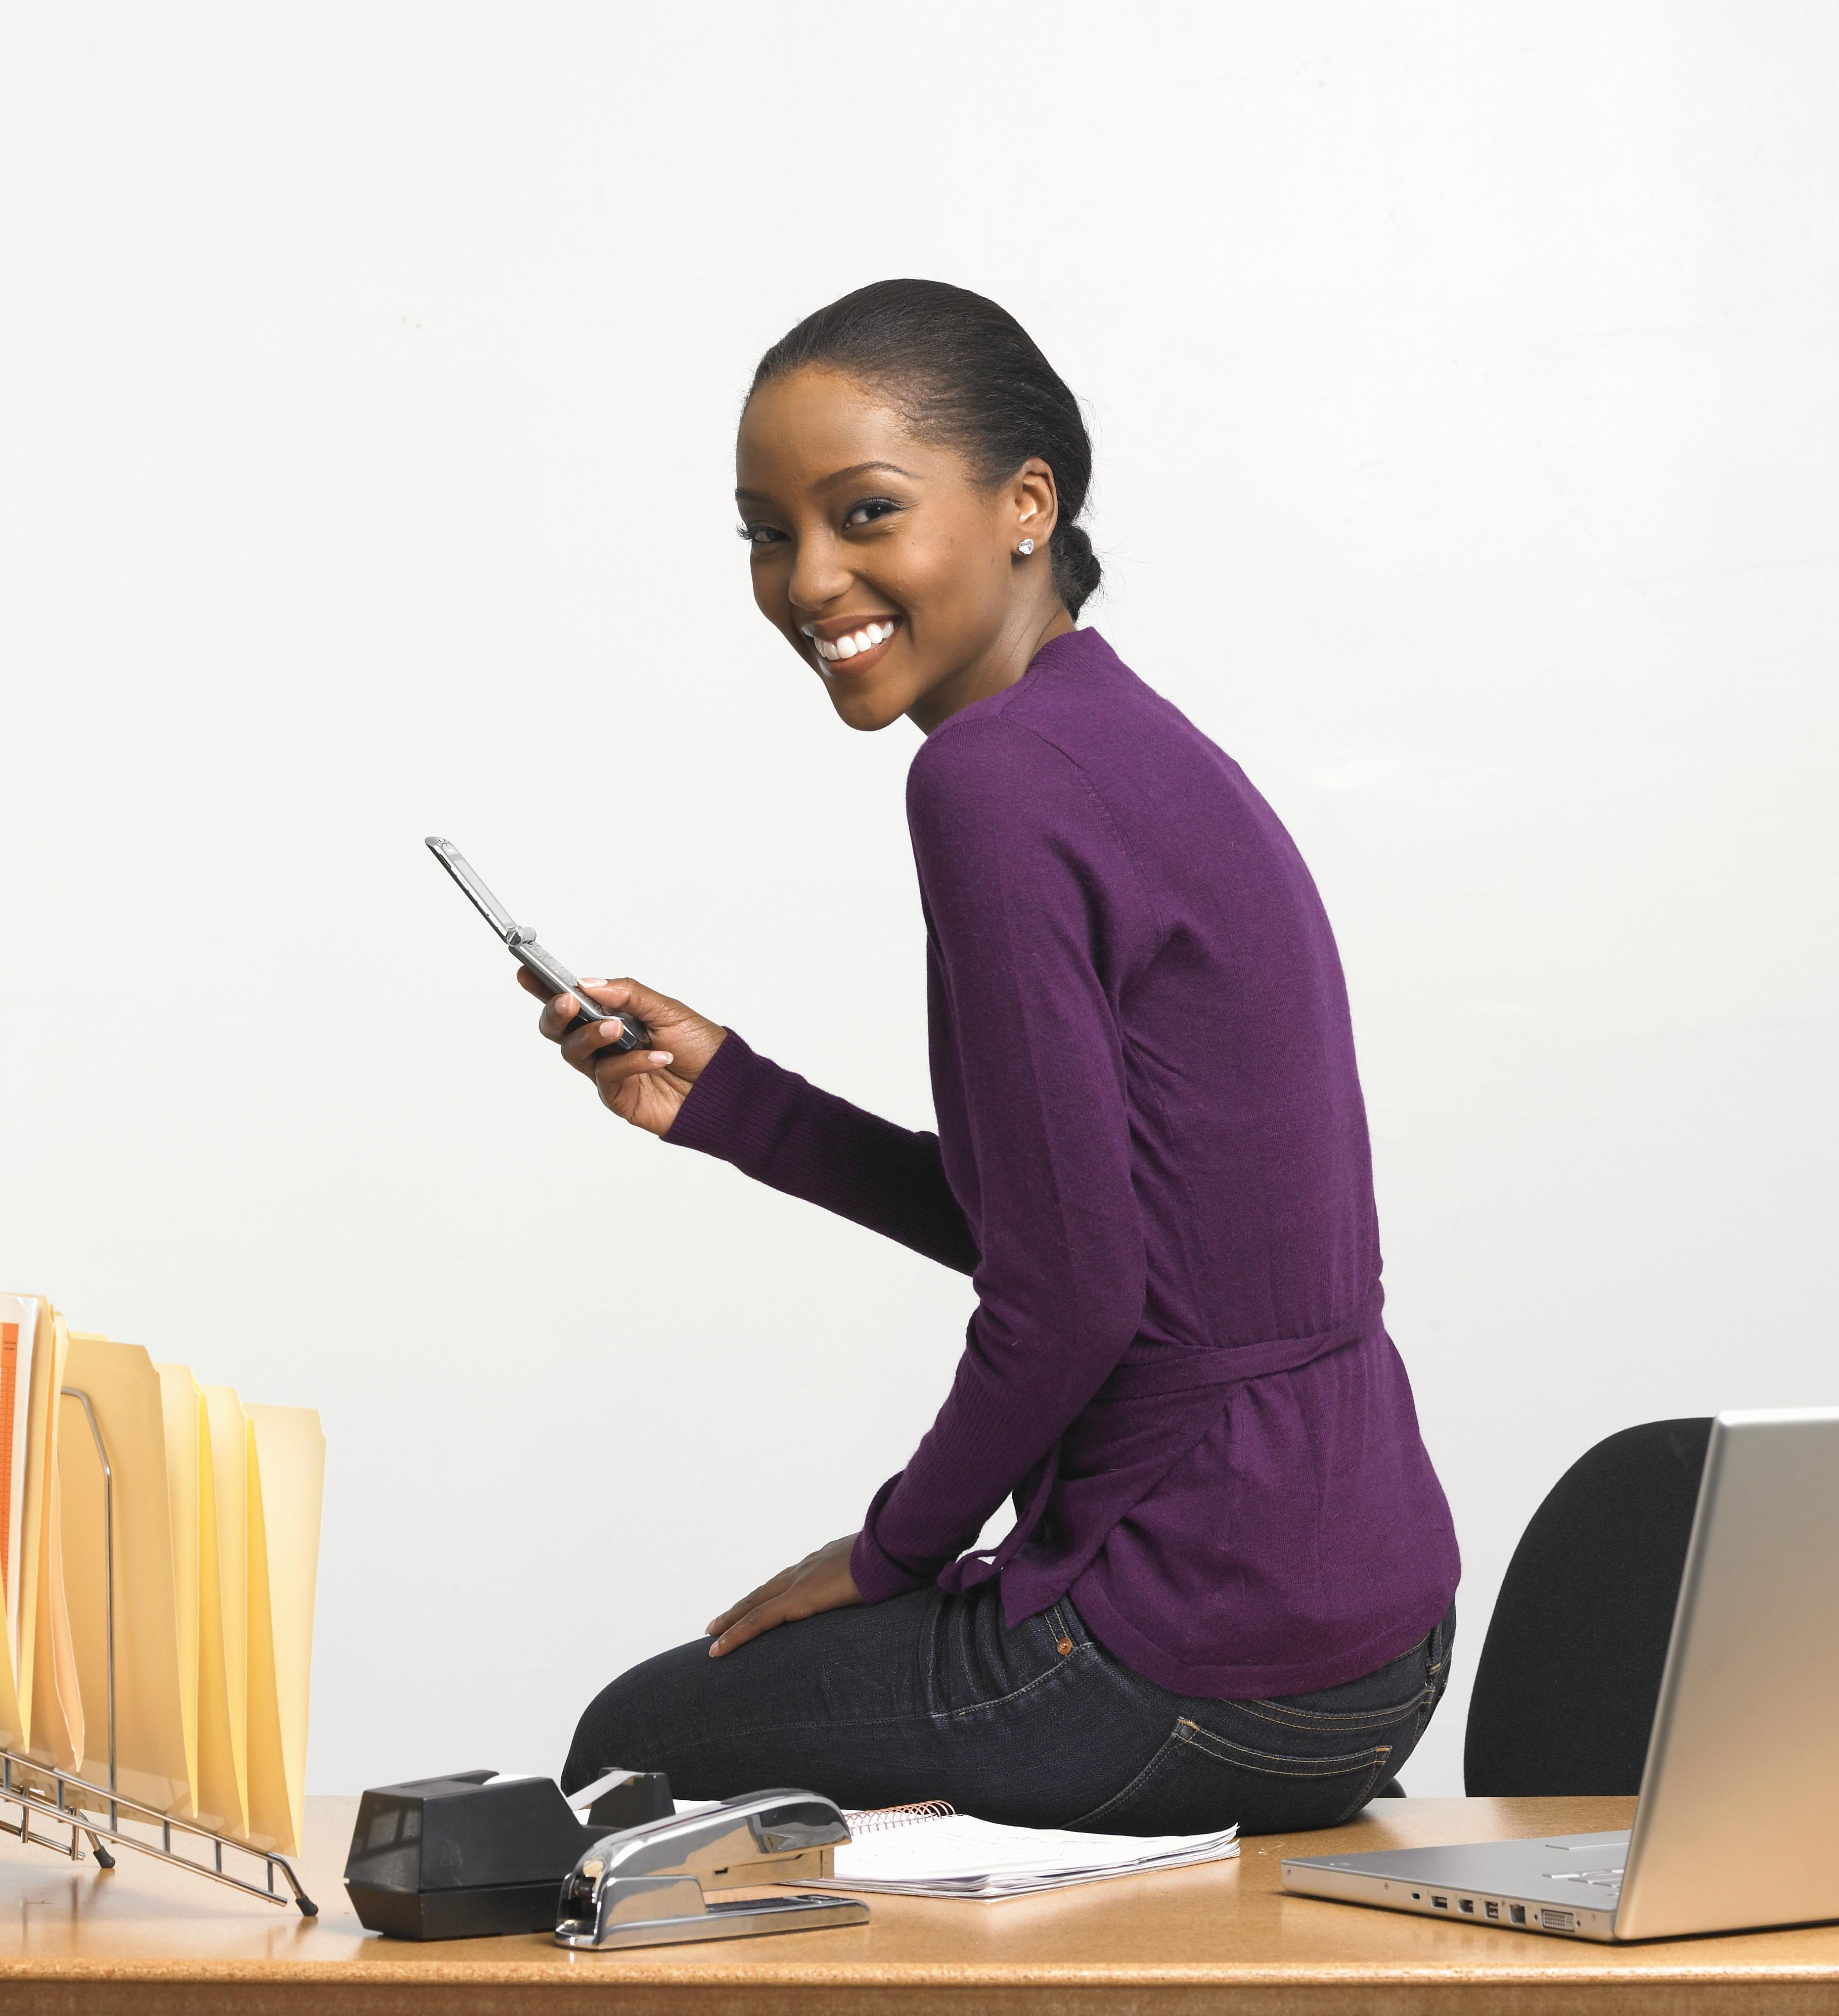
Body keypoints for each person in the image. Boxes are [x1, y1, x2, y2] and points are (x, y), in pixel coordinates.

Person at [535, 279, 1460, 1835]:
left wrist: (896, 1548)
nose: (809, 580)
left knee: (633, 1744)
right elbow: (1112, 1239)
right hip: (1376, 1659)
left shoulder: (987, 779)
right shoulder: (1133, 740)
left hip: (1177, 1654)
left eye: (865, 514)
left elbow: (1077, 1298)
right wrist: (742, 1106)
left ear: (1027, 504)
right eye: (768, 533)